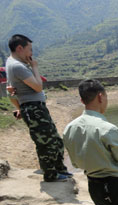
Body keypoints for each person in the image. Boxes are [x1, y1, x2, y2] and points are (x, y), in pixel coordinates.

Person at [5, 34, 71, 182]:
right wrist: (35, 67)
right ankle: (51, 175)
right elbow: (37, 86)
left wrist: (20, 108)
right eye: (30, 49)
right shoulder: (17, 66)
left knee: (56, 141)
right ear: (20, 48)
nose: (32, 54)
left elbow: (10, 91)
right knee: (45, 143)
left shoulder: (12, 63)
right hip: (34, 109)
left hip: (34, 108)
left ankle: (60, 169)